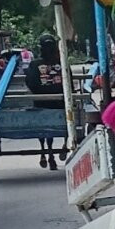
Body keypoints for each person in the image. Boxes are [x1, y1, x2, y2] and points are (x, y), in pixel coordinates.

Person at [25, 35, 65, 171]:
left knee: (42, 127)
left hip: (41, 103)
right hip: (61, 104)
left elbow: (30, 83)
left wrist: (41, 93)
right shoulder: (63, 62)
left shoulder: (35, 64)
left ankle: (46, 151)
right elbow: (69, 83)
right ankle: (63, 146)